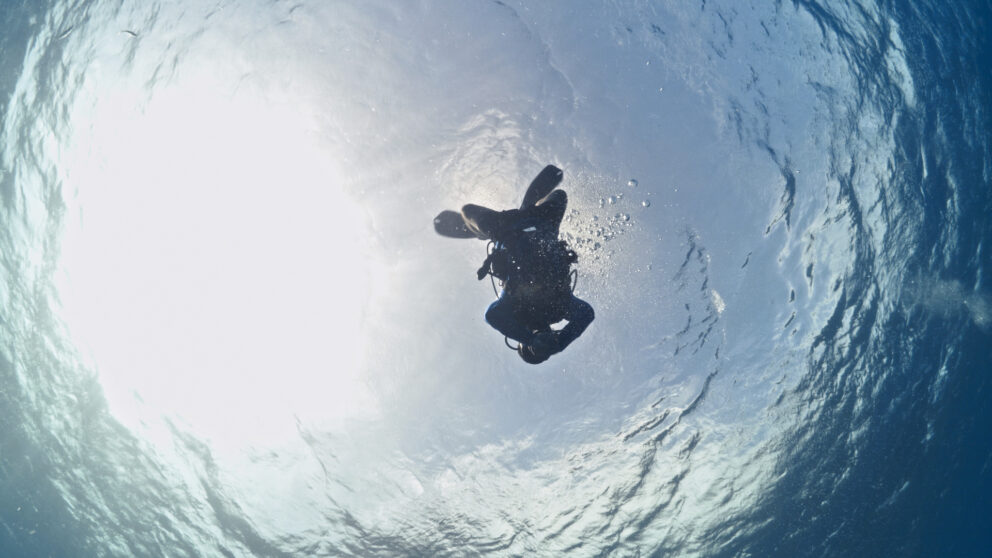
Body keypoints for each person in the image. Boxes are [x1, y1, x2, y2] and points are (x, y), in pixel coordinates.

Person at [460, 188, 594, 364]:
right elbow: (587, 314)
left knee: (467, 210)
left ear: (520, 342)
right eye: (545, 351)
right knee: (560, 195)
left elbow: (491, 315)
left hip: (502, 228)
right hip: (543, 222)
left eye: (533, 350)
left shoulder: (515, 312)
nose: (541, 347)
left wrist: (530, 340)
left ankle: (482, 232)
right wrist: (562, 342)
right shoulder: (558, 309)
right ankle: (525, 210)